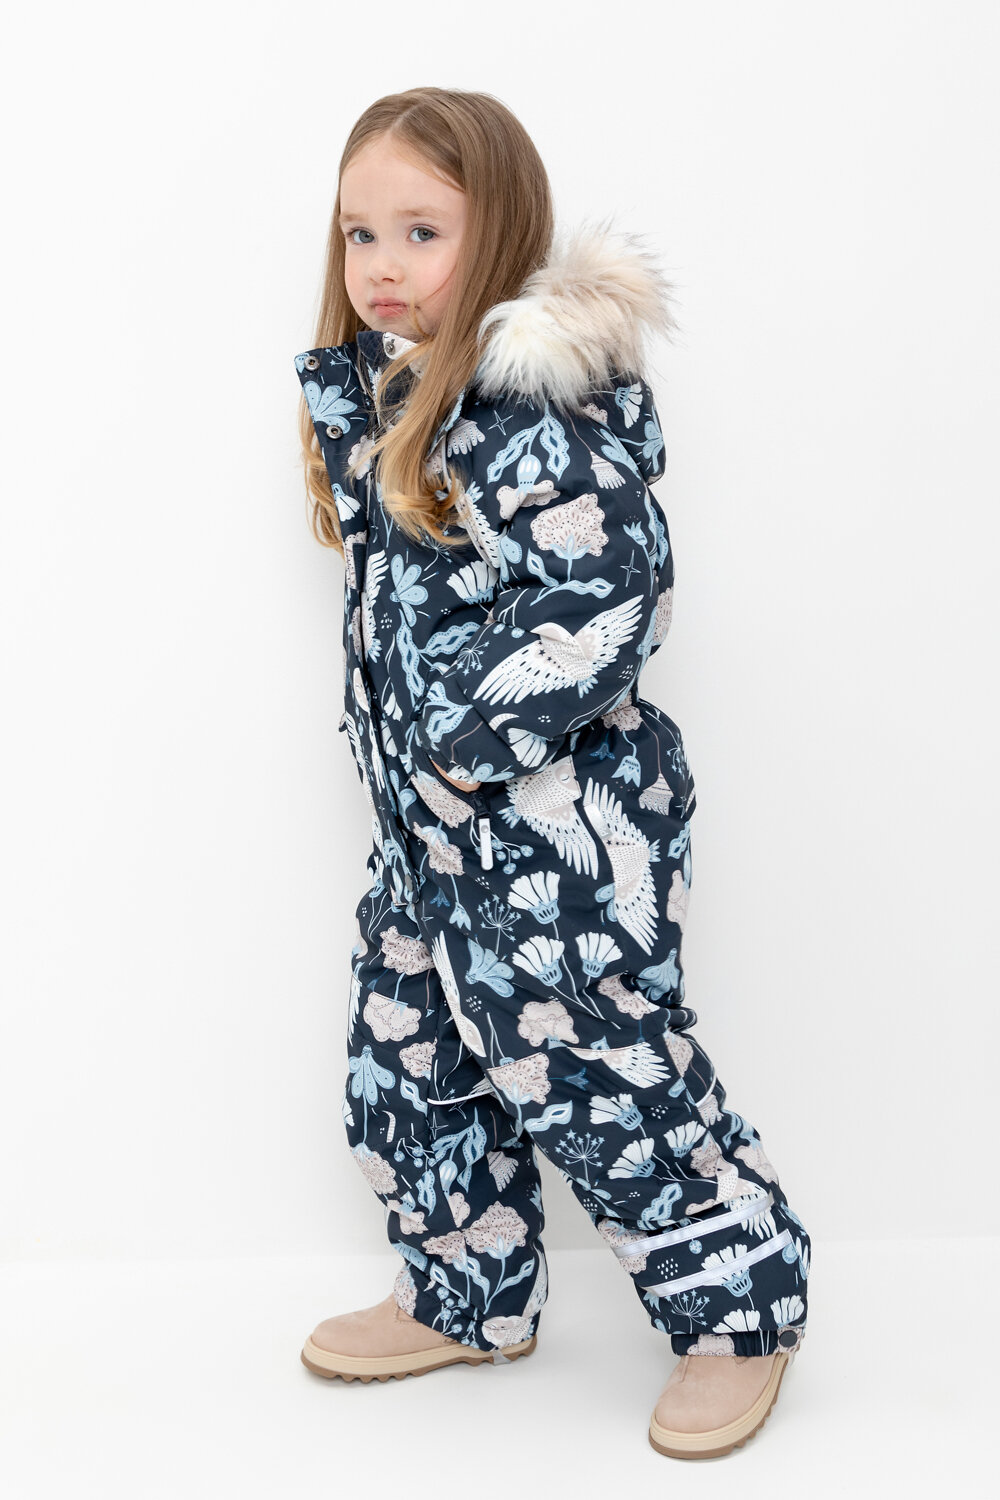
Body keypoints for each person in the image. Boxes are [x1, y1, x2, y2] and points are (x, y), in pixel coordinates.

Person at [292, 86, 811, 1460]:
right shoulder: (404, 395)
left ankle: (738, 1316)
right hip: (431, 832)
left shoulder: (529, 408)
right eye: (359, 233)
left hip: (555, 829)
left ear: (504, 231)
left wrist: (456, 745)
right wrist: (419, 780)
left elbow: (612, 592)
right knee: (408, 1056)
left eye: (422, 231)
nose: (382, 265)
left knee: (603, 1069)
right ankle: (466, 1291)